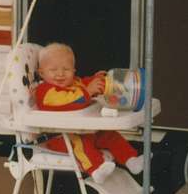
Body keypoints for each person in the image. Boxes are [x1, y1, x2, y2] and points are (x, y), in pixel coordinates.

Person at [33, 42, 143, 184]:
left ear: (73, 71)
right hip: (60, 136)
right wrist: (88, 92)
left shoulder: (74, 83)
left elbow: (83, 82)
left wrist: (95, 80)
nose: (60, 74)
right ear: (41, 73)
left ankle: (131, 160)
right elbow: (67, 101)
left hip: (82, 130)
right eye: (53, 70)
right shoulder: (45, 91)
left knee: (110, 135)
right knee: (80, 144)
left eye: (66, 69)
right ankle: (96, 170)